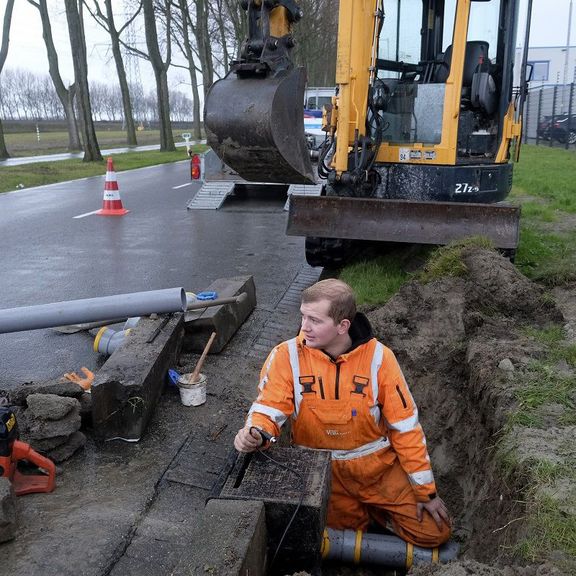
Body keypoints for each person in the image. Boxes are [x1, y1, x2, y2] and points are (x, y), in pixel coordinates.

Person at [234, 278, 451, 548]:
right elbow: (268, 408)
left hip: (377, 471)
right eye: (303, 316)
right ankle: (365, 519)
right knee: (329, 537)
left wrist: (425, 492)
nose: (304, 327)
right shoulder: (286, 356)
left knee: (435, 532)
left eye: (315, 320)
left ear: (342, 326)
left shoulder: (379, 359)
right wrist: (255, 432)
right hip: (320, 473)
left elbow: (406, 428)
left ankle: (377, 515)